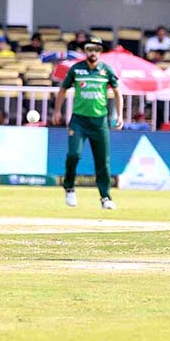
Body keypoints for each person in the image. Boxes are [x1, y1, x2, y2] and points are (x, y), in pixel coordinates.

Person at [53, 36, 124, 210]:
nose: (93, 52)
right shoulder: (77, 70)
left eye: (96, 49)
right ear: (85, 51)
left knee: (103, 162)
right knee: (74, 155)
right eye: (90, 49)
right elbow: (63, 89)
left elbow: (117, 92)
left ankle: (105, 197)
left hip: (100, 122)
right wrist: (57, 110)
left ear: (100, 52)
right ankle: (69, 188)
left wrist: (120, 115)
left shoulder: (106, 70)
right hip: (79, 120)